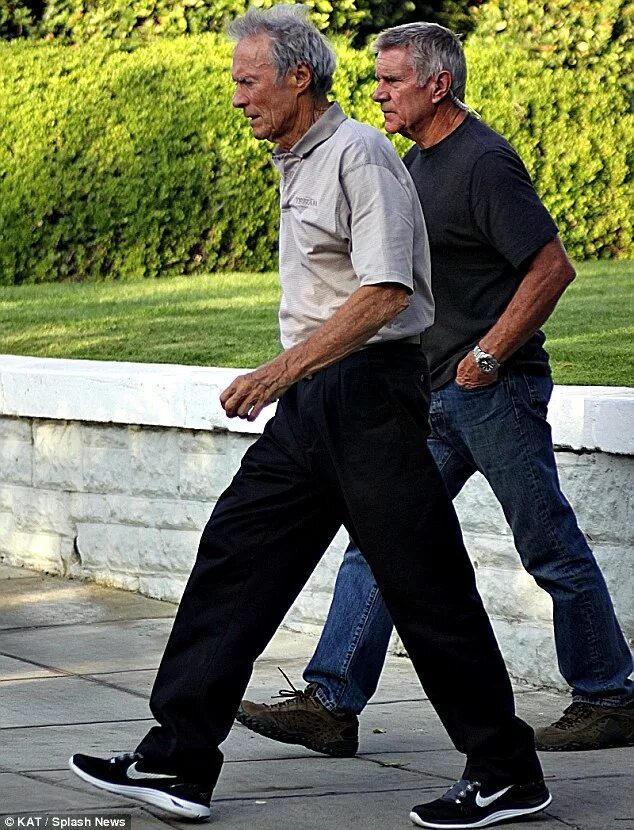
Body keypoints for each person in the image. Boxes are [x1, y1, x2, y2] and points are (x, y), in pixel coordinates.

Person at [68, 6, 551, 829]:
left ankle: (506, 771)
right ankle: (178, 757)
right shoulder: (300, 159)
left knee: (425, 584)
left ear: (299, 77)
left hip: (368, 398)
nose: (237, 98)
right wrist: (295, 380)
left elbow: (386, 292)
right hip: (314, 404)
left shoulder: (360, 153)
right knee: (236, 555)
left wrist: (278, 372)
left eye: (248, 81)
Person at [237, 21, 634, 761]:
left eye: (392, 80)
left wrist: (487, 355)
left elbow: (551, 268)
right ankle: (331, 702)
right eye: (377, 80)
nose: (378, 93)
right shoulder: (407, 165)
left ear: (438, 84)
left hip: (493, 394)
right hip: (428, 397)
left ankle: (611, 695)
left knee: (546, 544)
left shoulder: (484, 163)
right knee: (379, 544)